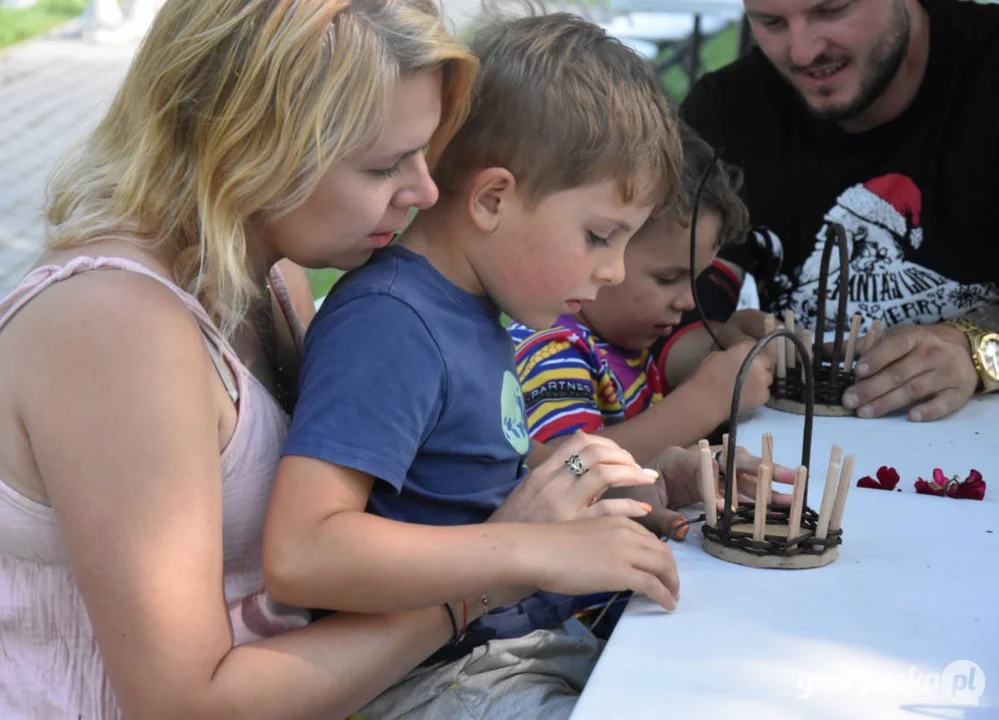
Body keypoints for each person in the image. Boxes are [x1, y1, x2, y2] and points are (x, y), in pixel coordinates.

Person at [0, 2, 660, 718]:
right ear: (250, 144)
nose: (426, 191)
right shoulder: (118, 330)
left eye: (423, 153)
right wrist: (493, 574)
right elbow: (187, 706)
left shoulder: (273, 278)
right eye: (383, 166)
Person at [262, 14, 724, 719]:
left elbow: (472, 469)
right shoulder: (392, 322)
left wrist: (639, 484)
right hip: (430, 680)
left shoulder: (466, 306)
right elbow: (305, 551)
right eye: (600, 235)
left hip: (503, 648)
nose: (612, 270)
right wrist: (531, 550)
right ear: (493, 198)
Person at [674, 0, 999, 423]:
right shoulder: (728, 111)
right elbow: (671, 310)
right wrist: (710, 340)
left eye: (832, 10)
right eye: (770, 22)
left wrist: (978, 351)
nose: (802, 52)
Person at [509, 123, 795, 538]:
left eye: (697, 280)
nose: (689, 302)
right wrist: (707, 400)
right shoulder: (551, 346)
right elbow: (562, 467)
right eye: (667, 279)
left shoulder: (626, 343)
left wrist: (731, 333)